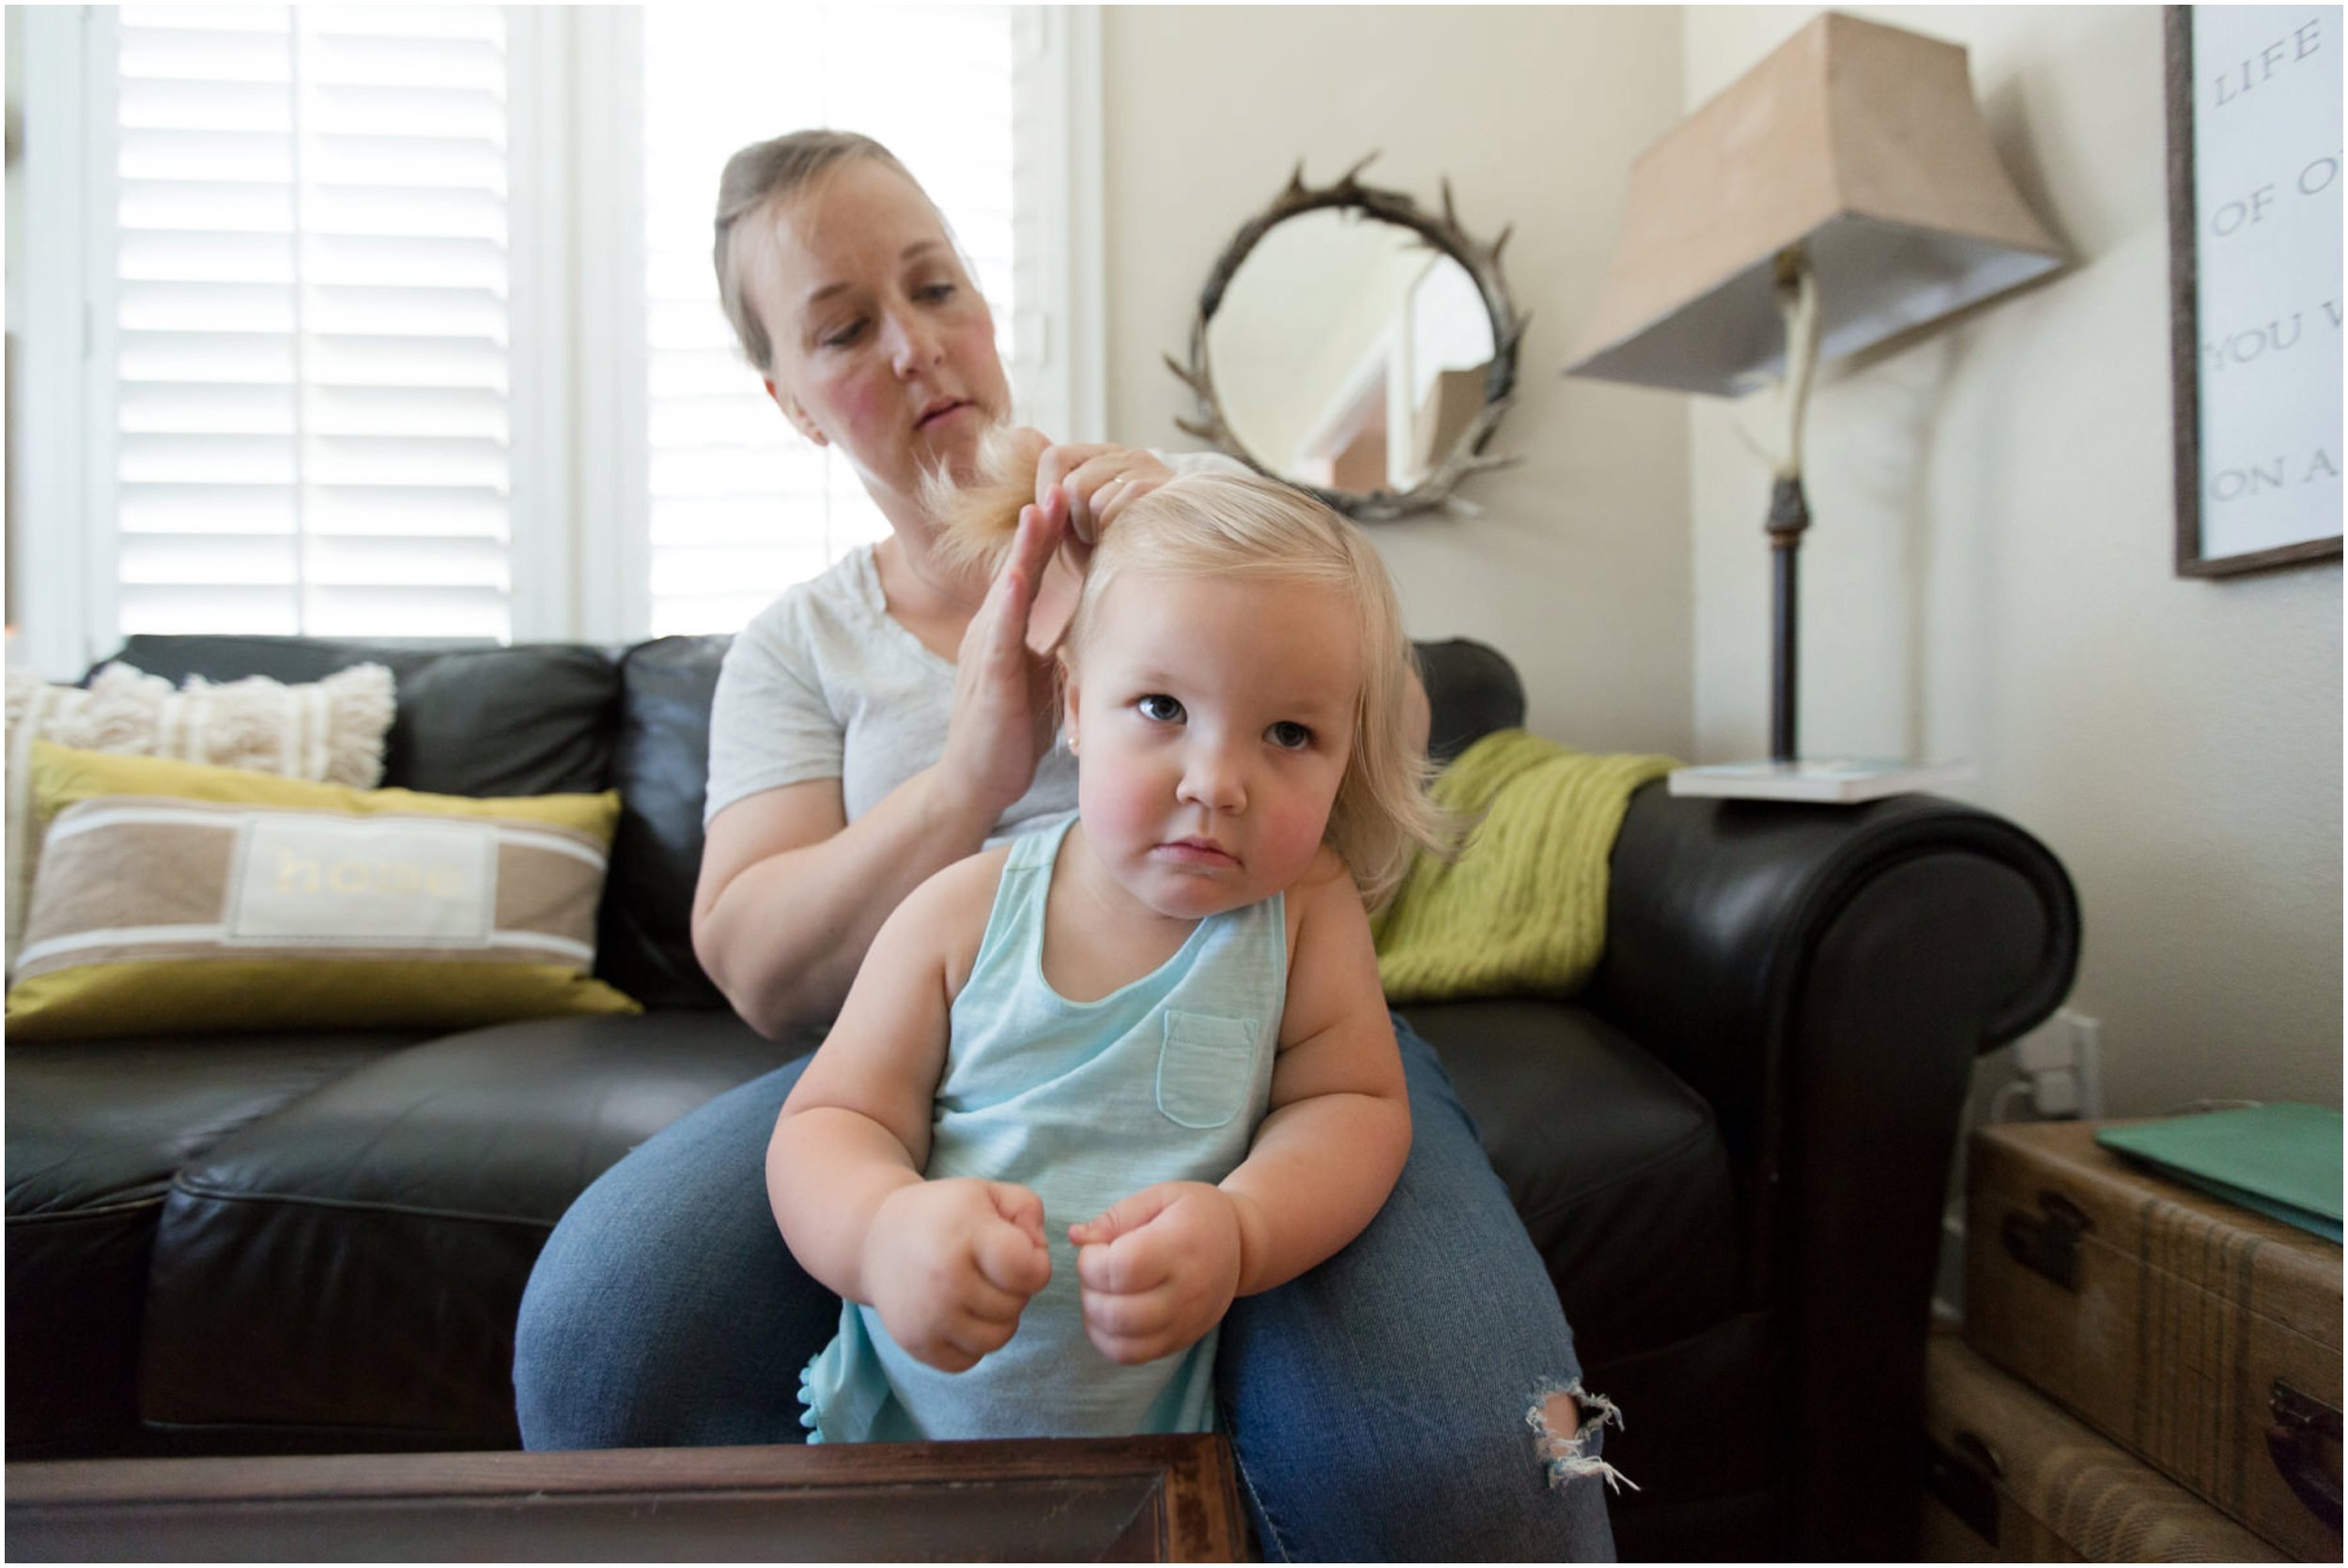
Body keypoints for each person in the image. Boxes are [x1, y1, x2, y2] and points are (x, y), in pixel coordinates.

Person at [513, 129, 1622, 1560]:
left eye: (936, 287)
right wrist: (967, 778)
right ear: (790, 401)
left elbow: (1370, 746)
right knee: (603, 1337)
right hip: (957, 1056)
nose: (917, 348)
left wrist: (1196, 558)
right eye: (847, 326)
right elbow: (760, 968)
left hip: (1259, 1025)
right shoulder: (801, 648)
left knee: (1473, 1478)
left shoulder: (1171, 543)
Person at [776, 464, 1442, 1442]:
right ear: (1076, 708)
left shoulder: (1304, 916)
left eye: (1290, 732)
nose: (1217, 783)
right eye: (1163, 708)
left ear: (1348, 755)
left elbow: (1352, 1106)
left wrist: (1244, 1228)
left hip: (1160, 1467)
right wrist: (881, 1231)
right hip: (905, 1447)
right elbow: (830, 1118)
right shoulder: (960, 912)